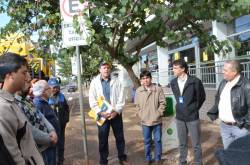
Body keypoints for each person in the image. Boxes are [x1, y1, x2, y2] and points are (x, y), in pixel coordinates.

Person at [0, 52, 44, 165]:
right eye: (24, 73)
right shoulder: (3, 108)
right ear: (10, 74)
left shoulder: (11, 101)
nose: (27, 78)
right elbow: (13, 156)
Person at [89, 61, 129, 165]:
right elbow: (92, 100)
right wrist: (100, 112)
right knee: (103, 140)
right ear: (100, 70)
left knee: (120, 137)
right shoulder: (94, 82)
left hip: (115, 114)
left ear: (109, 69)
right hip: (102, 115)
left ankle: (122, 158)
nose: (106, 69)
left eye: (107, 67)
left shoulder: (117, 80)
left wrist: (117, 111)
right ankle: (103, 161)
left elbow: (122, 96)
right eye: (103, 68)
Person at [207, 60, 250, 149]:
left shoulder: (247, 85)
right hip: (224, 127)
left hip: (240, 128)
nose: (223, 72)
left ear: (234, 72)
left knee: (241, 156)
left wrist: (245, 125)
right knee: (229, 153)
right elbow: (218, 100)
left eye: (225, 70)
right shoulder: (223, 82)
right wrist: (214, 113)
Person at [170, 59, 206, 165]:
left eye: (175, 68)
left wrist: (194, 108)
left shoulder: (195, 81)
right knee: (182, 142)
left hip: (192, 117)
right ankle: (182, 161)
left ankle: (198, 162)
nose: (173, 70)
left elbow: (202, 97)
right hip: (180, 117)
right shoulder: (173, 82)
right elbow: (178, 98)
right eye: (173, 68)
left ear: (183, 69)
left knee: (196, 143)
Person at [15, 77, 58, 154]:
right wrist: (49, 138)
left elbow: (41, 116)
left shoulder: (27, 99)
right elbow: (29, 128)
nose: (31, 87)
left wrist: (52, 130)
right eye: (28, 82)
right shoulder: (16, 103)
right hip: (41, 148)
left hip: (49, 144)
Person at [135, 70, 166, 165]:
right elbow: (137, 105)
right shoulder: (139, 90)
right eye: (143, 78)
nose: (145, 80)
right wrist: (141, 115)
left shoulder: (158, 89)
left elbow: (163, 103)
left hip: (156, 121)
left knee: (157, 140)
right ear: (141, 80)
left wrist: (158, 113)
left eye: (147, 78)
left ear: (151, 78)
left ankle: (158, 158)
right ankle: (148, 158)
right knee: (147, 141)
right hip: (145, 121)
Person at [33, 80, 60, 165]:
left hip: (52, 142)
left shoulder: (44, 102)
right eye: (49, 88)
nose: (51, 90)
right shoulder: (38, 104)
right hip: (47, 144)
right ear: (43, 92)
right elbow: (38, 125)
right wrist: (49, 138)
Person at [48, 77, 70, 165]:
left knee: (61, 143)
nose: (54, 89)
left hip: (61, 125)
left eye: (56, 87)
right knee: (52, 144)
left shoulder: (61, 96)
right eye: (52, 87)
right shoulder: (46, 96)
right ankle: (54, 161)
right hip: (50, 126)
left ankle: (60, 160)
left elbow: (66, 108)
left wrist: (65, 120)